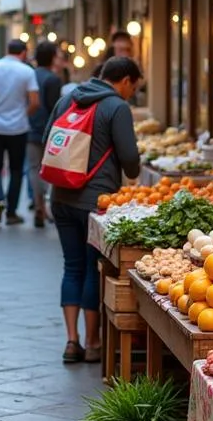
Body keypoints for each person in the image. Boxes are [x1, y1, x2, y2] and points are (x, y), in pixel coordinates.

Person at [44, 56, 142, 363]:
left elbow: (50, 139)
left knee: (70, 266)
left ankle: (71, 341)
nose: (131, 93)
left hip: (60, 195)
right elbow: (129, 158)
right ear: (125, 80)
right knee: (90, 269)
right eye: (133, 87)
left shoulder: (67, 100)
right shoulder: (116, 107)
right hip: (95, 203)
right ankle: (93, 342)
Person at [0, 39, 38, 226]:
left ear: (7, 50)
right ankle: (11, 212)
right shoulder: (27, 71)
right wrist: (22, 114)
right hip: (18, 128)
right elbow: (35, 102)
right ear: (23, 53)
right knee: (16, 170)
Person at [27, 41, 63, 229]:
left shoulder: (30, 75)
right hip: (49, 130)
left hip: (30, 127)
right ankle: (48, 207)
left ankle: (38, 205)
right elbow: (55, 108)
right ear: (51, 57)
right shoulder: (53, 79)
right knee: (50, 169)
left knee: (34, 168)